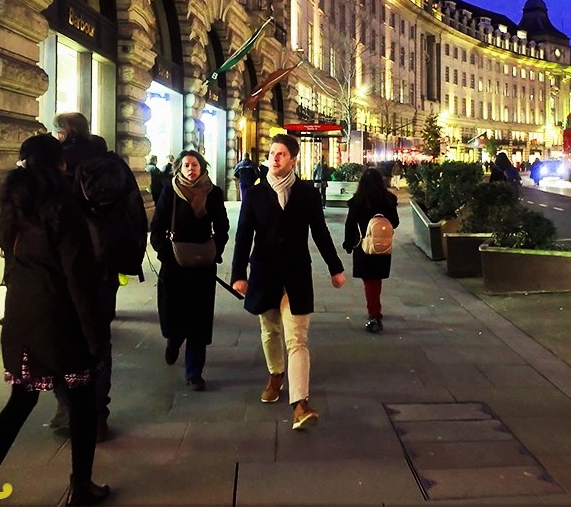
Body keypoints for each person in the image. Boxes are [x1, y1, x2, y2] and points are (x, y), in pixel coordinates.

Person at [0, 134, 109, 506]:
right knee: (81, 401)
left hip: (22, 316)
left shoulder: (13, 206)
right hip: (61, 318)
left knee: (19, 402)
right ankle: (81, 486)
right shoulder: (62, 206)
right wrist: (95, 335)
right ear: (59, 164)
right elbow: (78, 274)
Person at [231, 134, 345, 431]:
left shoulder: (306, 193)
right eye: (272, 153)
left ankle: (300, 404)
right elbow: (243, 236)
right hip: (265, 274)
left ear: (293, 159)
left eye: (281, 154)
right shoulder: (255, 194)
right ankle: (276, 375)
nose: (274, 158)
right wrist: (238, 274)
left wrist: (336, 268)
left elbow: (320, 232)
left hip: (295, 275)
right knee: (270, 331)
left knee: (297, 339)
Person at [51, 111, 146, 441]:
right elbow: (135, 212)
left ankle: (67, 406)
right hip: (105, 265)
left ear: (64, 132)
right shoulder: (113, 162)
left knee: (62, 337)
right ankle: (97, 414)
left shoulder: (58, 164)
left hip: (67, 267)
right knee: (99, 339)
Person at [150, 150, 229, 390]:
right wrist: (164, 252)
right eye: (186, 165)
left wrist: (216, 250)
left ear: (202, 167)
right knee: (173, 314)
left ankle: (194, 372)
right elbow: (157, 225)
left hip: (202, 264)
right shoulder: (170, 192)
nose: (190, 169)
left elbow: (222, 225)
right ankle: (173, 342)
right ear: (179, 168)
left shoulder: (213, 193)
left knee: (199, 318)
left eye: (194, 165)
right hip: (174, 263)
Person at [342, 168, 400, 333]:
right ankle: (375, 306)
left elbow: (350, 223)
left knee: (369, 280)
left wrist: (348, 243)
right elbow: (394, 222)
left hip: (363, 245)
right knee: (376, 278)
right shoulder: (389, 199)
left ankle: (375, 314)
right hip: (383, 244)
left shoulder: (358, 200)